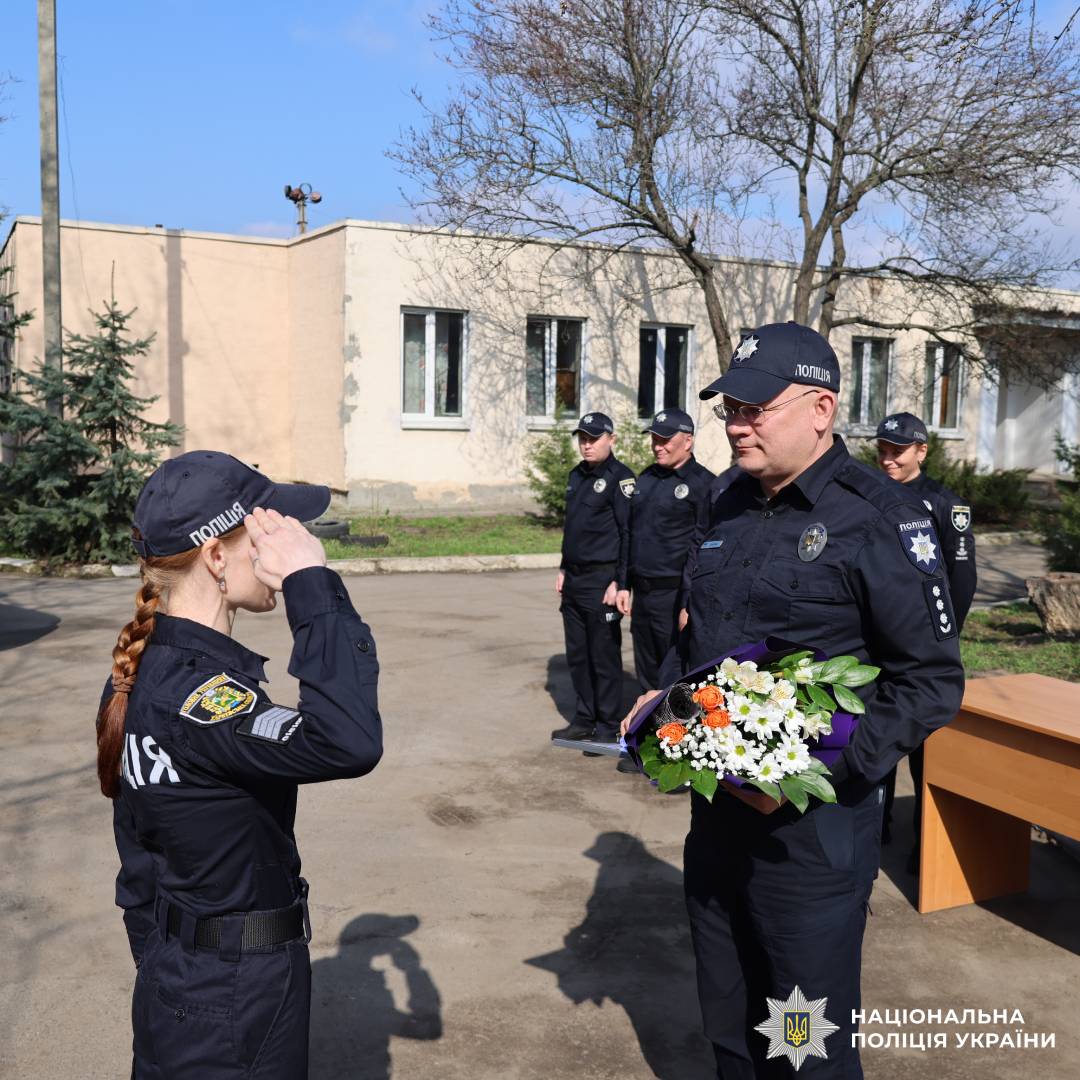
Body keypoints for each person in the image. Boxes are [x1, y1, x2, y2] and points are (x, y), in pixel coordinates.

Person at [623, 323, 964, 1079]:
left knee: (803, 1042)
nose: (737, 424)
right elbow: (701, 635)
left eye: (754, 408)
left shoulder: (879, 518)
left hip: (812, 839)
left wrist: (817, 772)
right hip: (715, 819)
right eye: (728, 409)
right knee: (729, 1018)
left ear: (820, 408)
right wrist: (667, 696)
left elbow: (930, 681)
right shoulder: (725, 505)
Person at [96, 450, 383, 1079]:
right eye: (267, 530)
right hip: (236, 992)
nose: (286, 542)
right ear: (217, 556)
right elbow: (349, 741)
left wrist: (168, 970)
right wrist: (313, 585)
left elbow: (139, 858)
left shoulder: (137, 675)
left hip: (183, 982)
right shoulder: (203, 702)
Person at [874, 411, 977, 864]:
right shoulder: (869, 495)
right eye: (882, 451)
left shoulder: (943, 504)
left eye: (897, 451)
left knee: (921, 749)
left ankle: (924, 845)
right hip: (876, 642)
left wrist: (938, 639)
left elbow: (962, 580)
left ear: (922, 451)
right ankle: (873, 831)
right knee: (874, 739)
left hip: (919, 649)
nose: (888, 460)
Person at [614, 409, 713, 774]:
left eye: (664, 439)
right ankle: (642, 742)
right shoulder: (646, 480)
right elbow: (630, 536)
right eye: (654, 438)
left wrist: (689, 600)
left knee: (675, 673)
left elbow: (701, 548)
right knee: (646, 667)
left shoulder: (704, 484)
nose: (657, 446)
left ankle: (673, 750)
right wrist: (624, 584)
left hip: (677, 594)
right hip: (644, 590)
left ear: (687, 440)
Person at [552, 412, 635, 751]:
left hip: (603, 581)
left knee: (603, 655)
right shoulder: (576, 476)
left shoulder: (621, 479)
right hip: (574, 579)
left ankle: (607, 723)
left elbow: (628, 533)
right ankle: (584, 718)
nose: (586, 444)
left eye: (594, 438)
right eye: (583, 438)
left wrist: (620, 581)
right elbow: (573, 530)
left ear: (611, 439)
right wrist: (563, 567)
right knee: (578, 654)